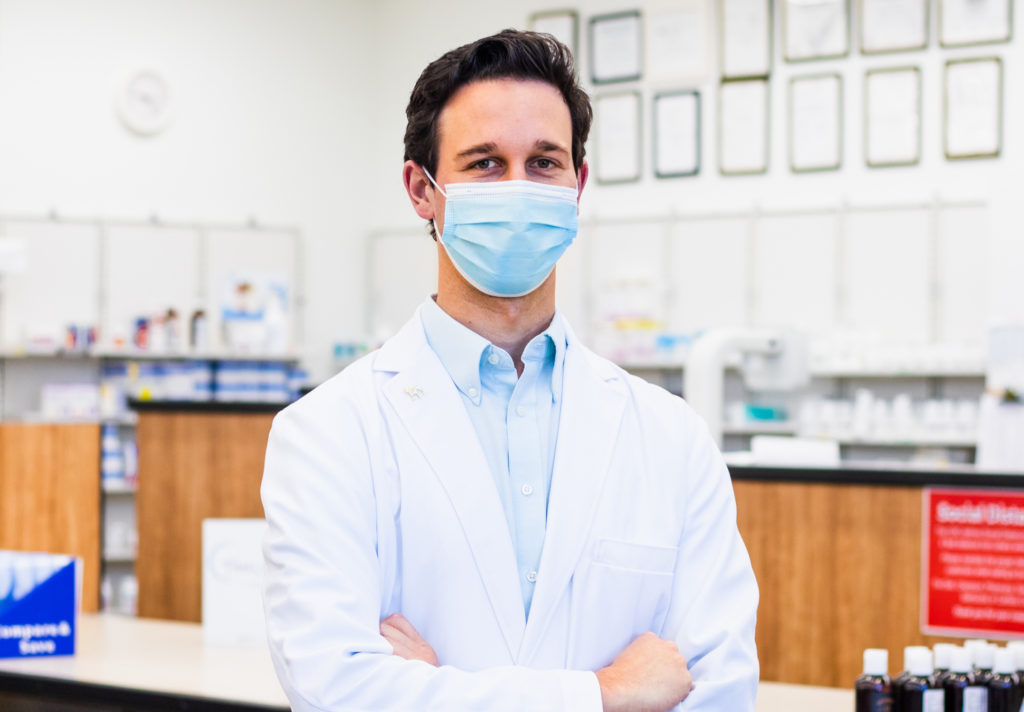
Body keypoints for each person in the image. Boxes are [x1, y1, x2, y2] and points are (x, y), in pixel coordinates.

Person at [261, 29, 759, 712]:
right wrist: (608, 694)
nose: (519, 188)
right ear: (421, 190)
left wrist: (437, 689)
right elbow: (338, 687)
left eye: (545, 162)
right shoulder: (328, 433)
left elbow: (720, 688)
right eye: (486, 164)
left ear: (578, 185)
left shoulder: (671, 439)